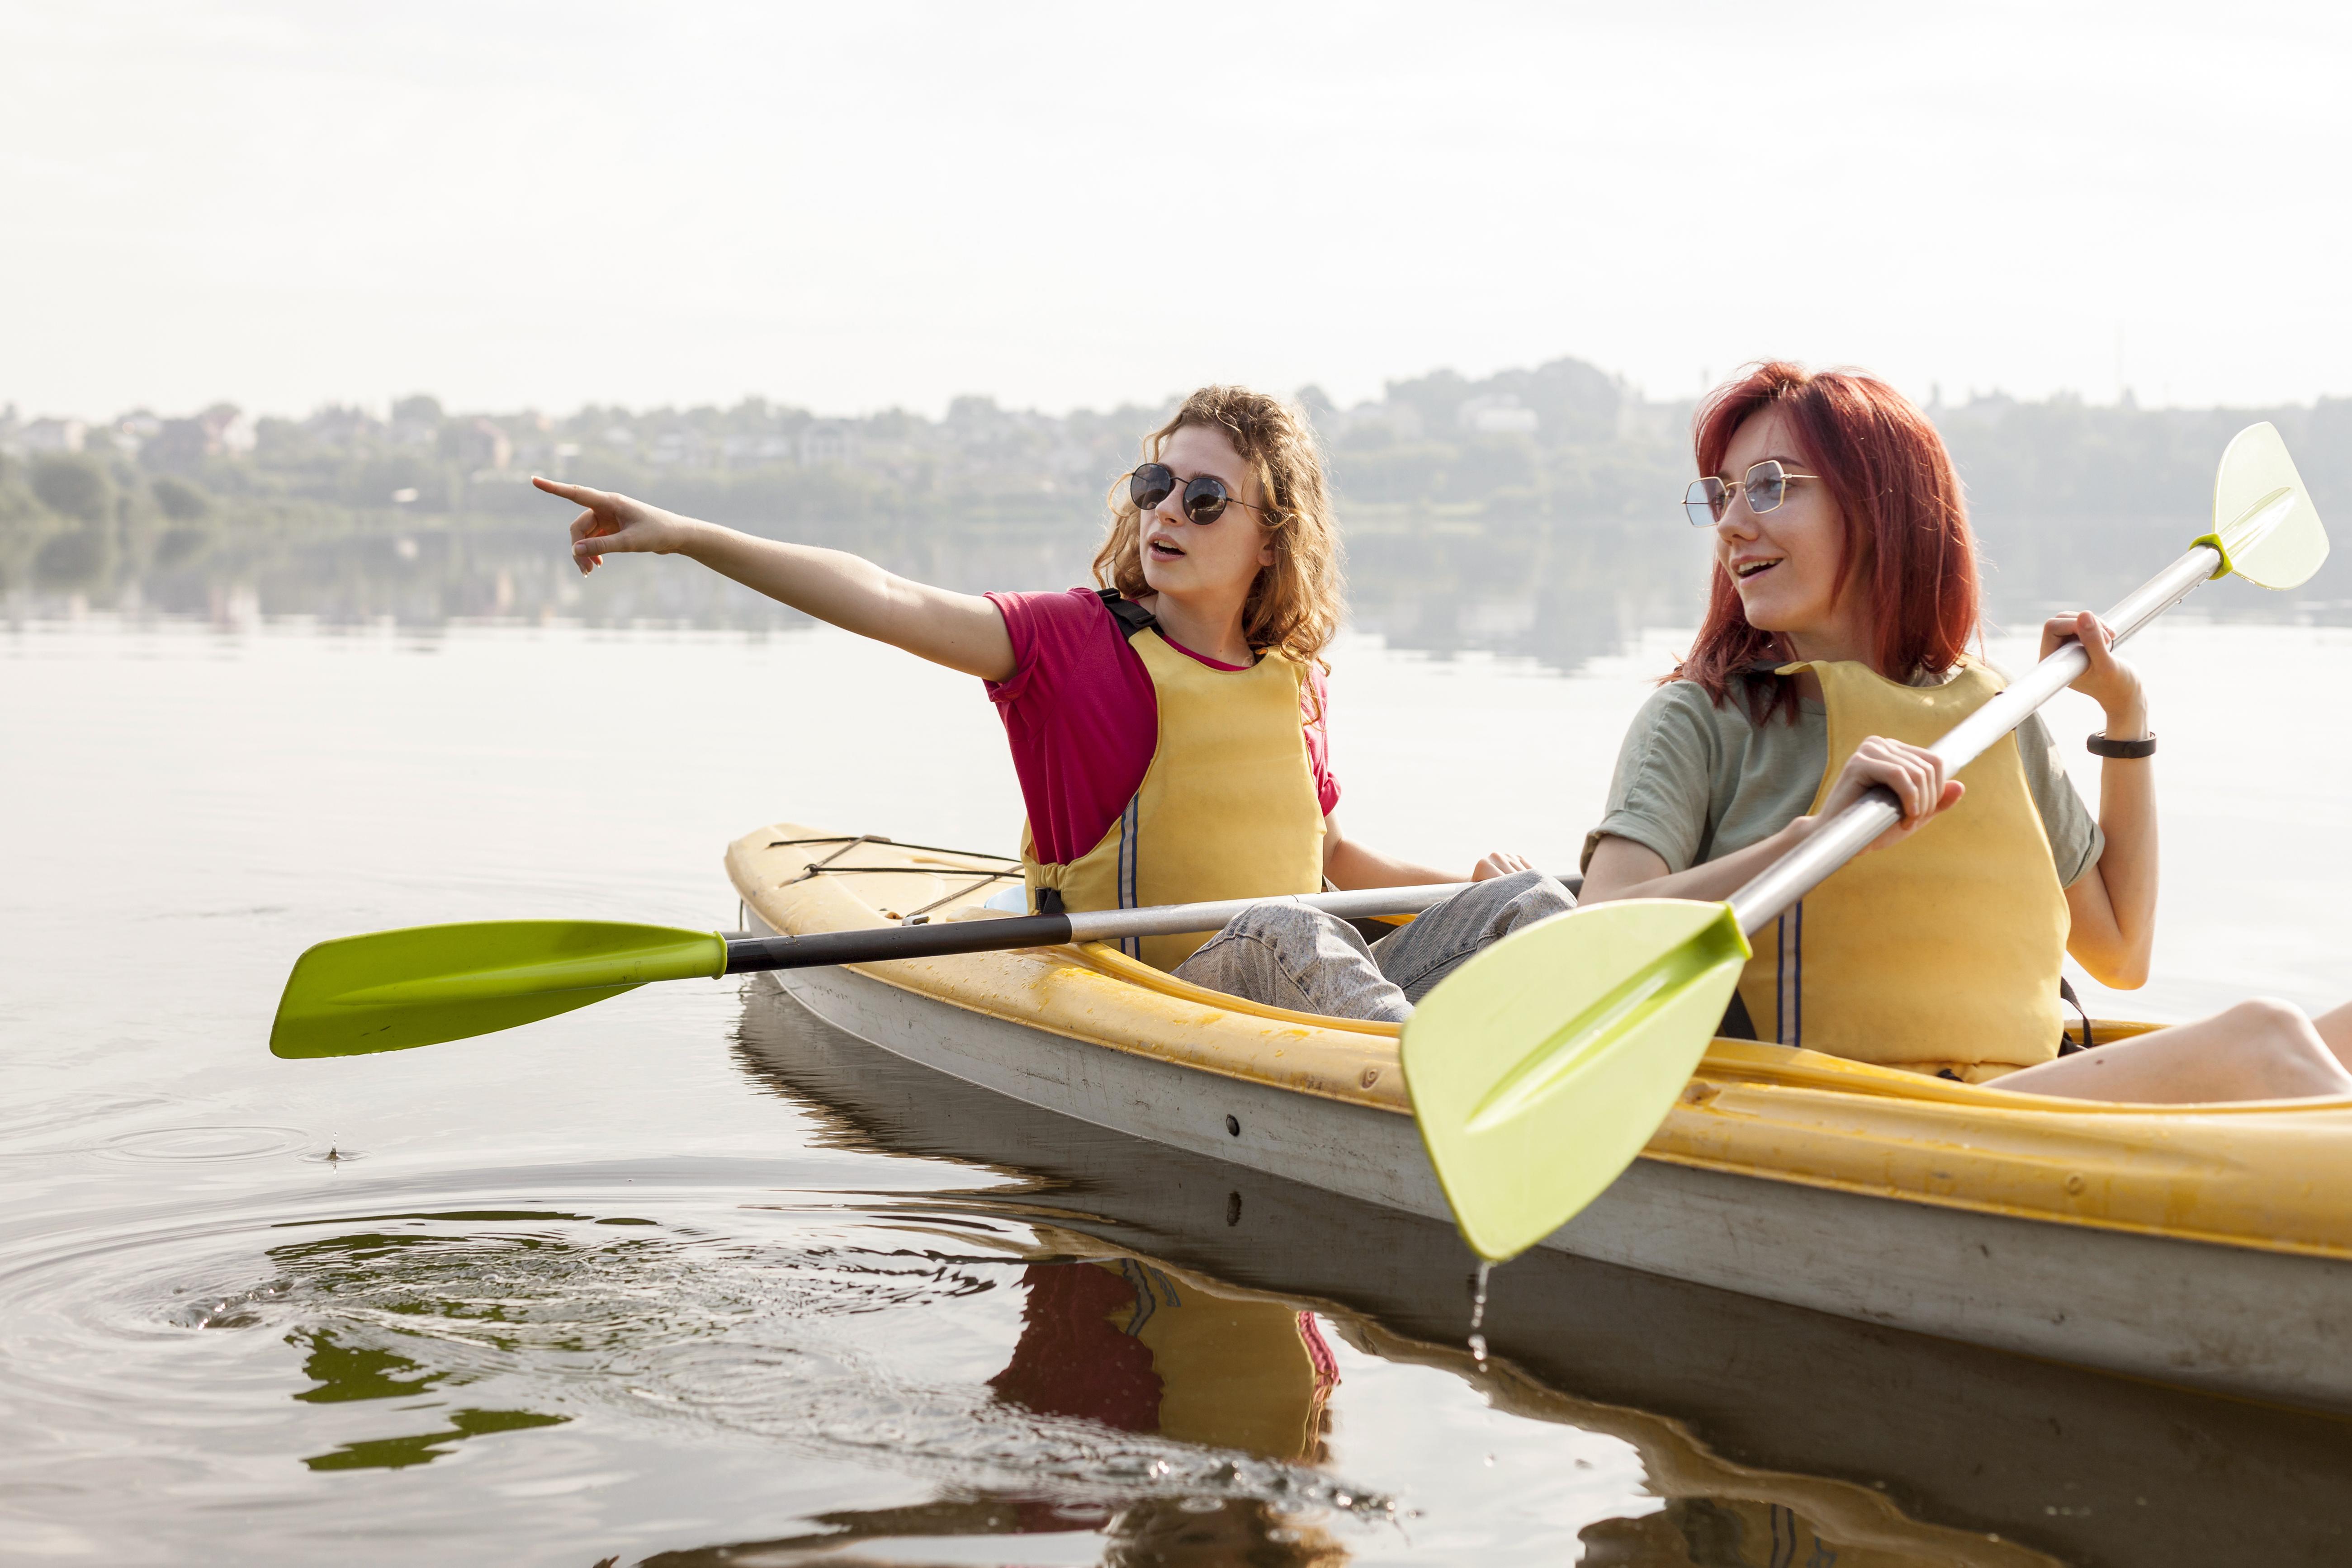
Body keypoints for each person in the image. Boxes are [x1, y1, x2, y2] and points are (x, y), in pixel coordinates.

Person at [535, 385, 1572, 1021]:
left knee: (1533, 906)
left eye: (1203, 499)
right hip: (1164, 997)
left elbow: (1333, 859)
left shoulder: (1288, 677)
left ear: (1272, 537)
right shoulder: (1076, 648)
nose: (1165, 510)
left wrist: (1466, 892)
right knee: (1286, 932)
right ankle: (1437, 1090)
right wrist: (689, 536)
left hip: (1310, 978)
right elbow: (890, 597)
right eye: (1155, 483)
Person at [1579, 361, 2352, 1104]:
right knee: (2266, 1037)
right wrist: (1806, 841)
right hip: (1857, 1117)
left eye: (1770, 486)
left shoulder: (1990, 717)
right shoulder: (1701, 720)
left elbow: (2119, 951)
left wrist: (2125, 718)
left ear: (1877, 504)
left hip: (2014, 1106)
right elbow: (1596, 941)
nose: (1732, 525)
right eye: (1722, 495)